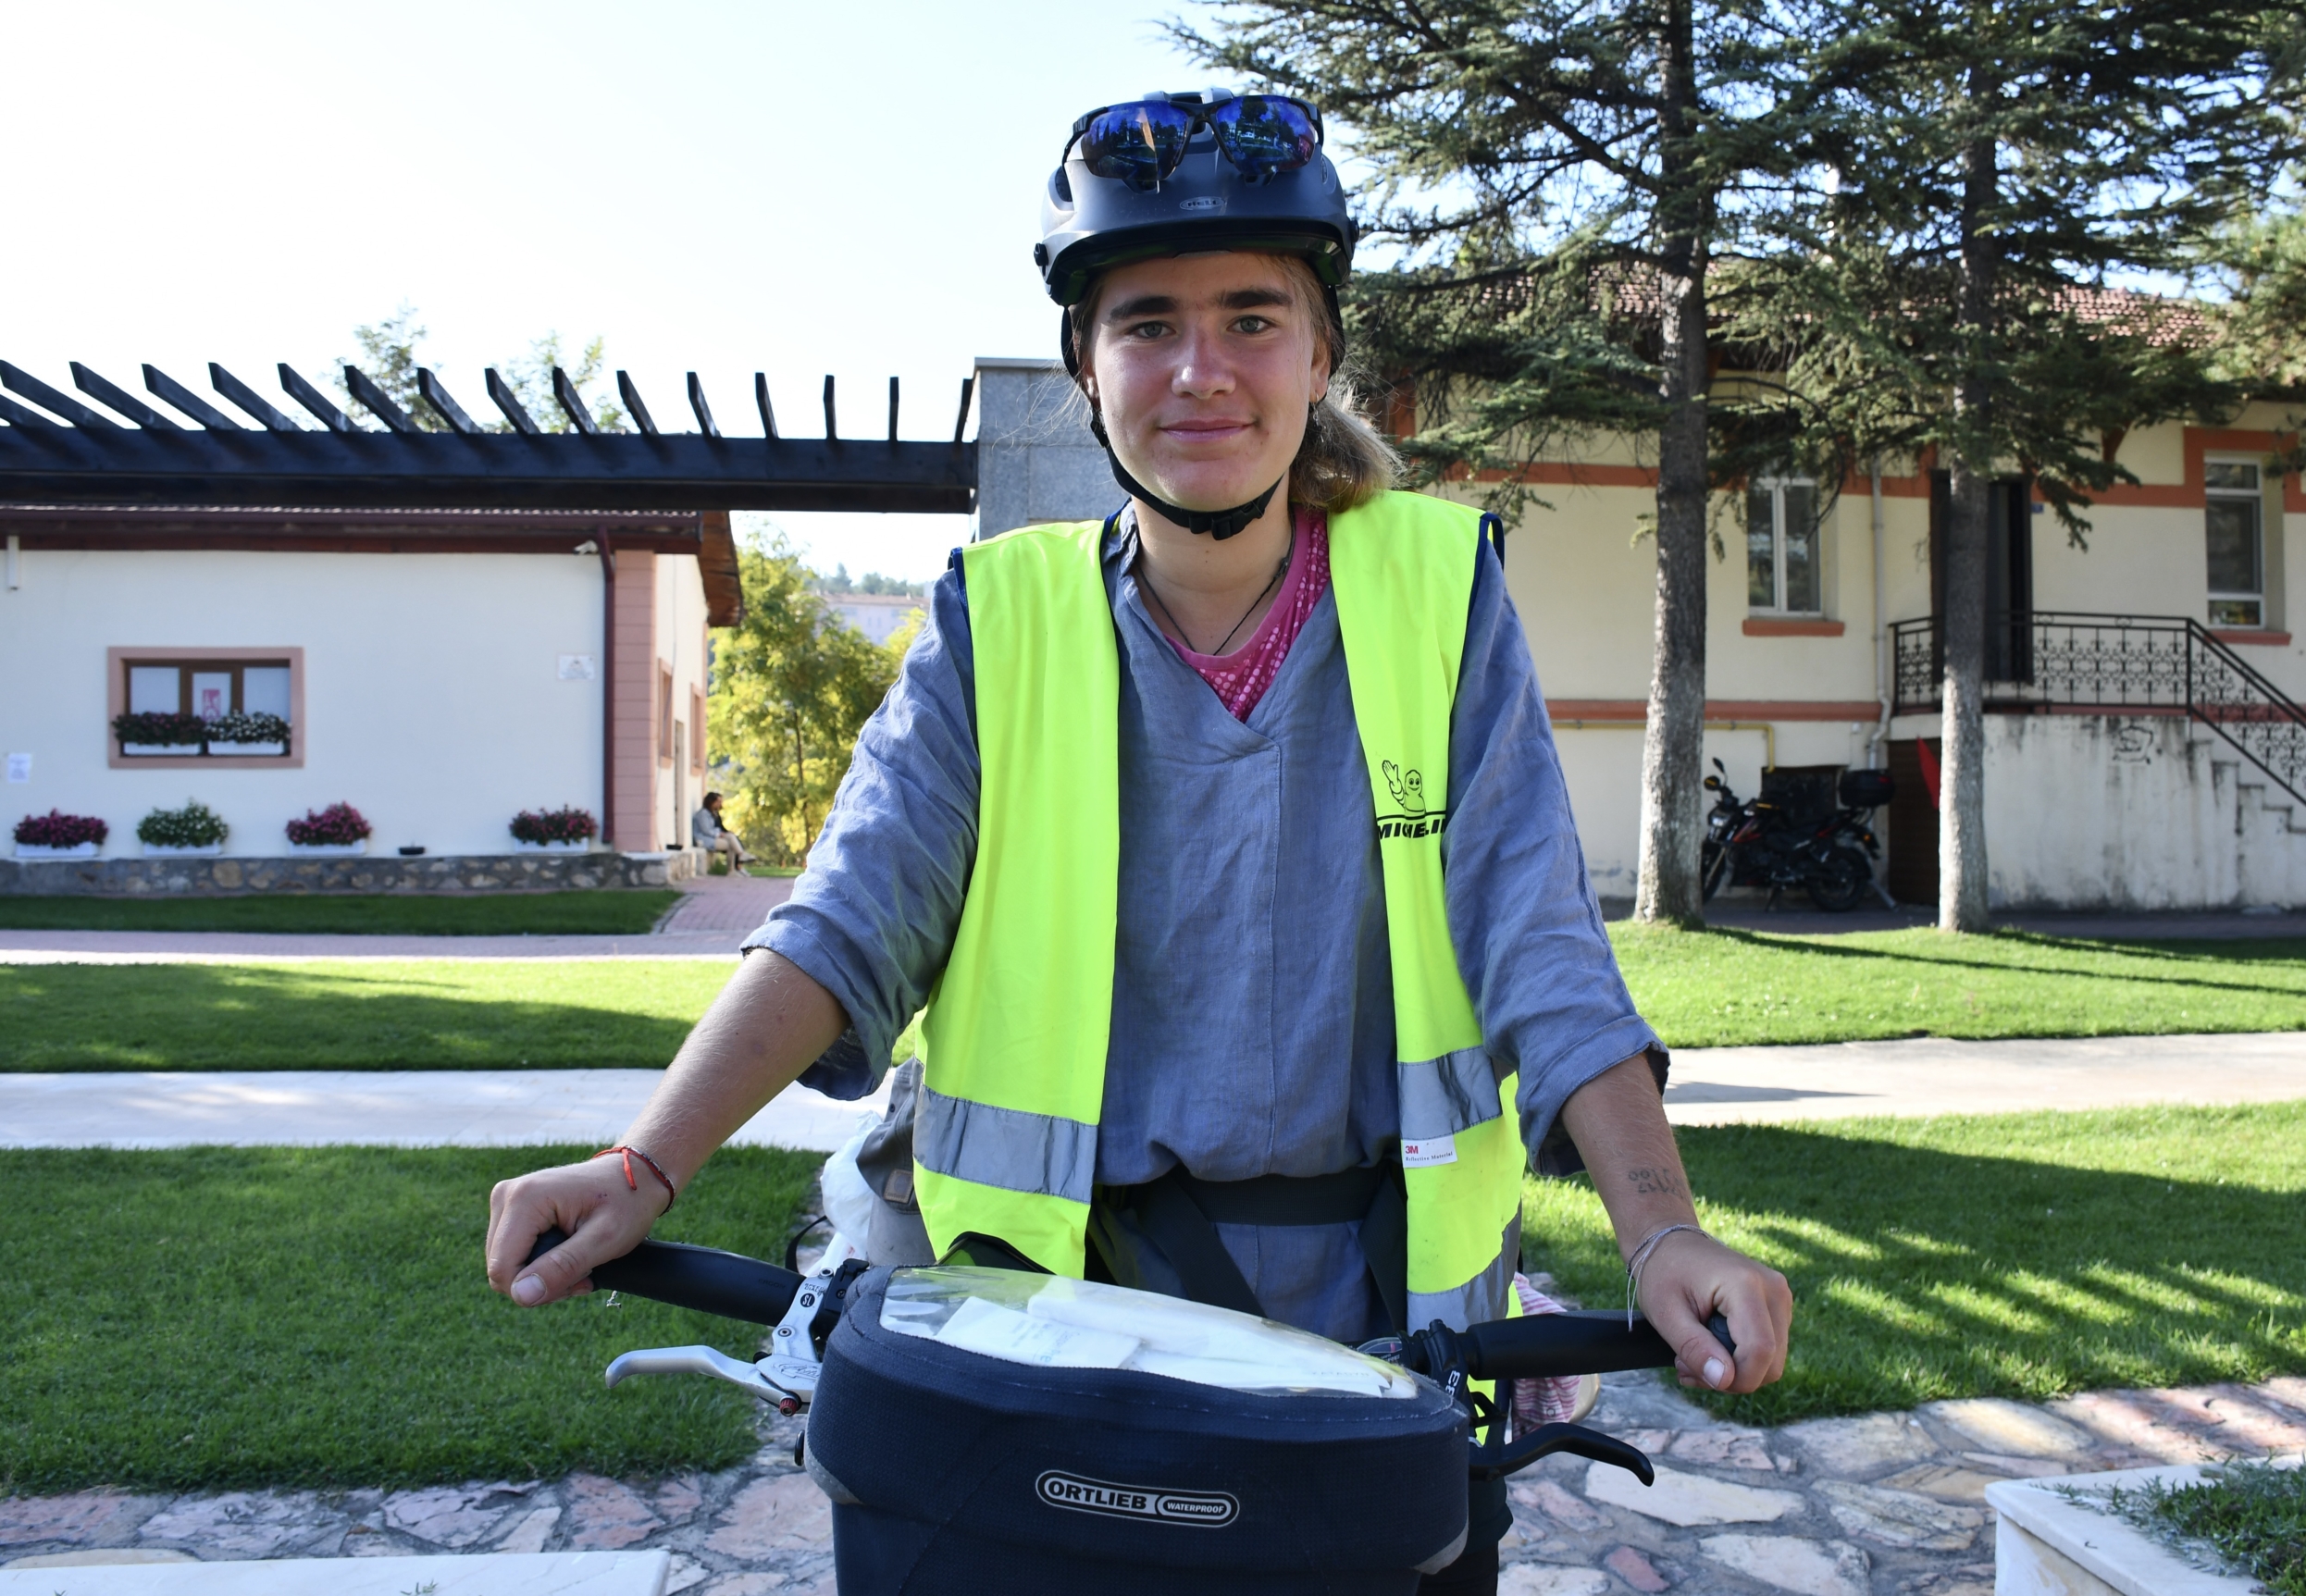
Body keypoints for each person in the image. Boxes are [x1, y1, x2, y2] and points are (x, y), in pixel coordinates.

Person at [488, 87, 1791, 1594]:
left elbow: (1540, 945)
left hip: (1371, 1361)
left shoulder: (1440, 597)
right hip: (1051, 1356)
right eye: (1147, 322)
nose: (1201, 372)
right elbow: (845, 930)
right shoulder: (1002, 622)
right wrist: (644, 1170)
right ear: (1086, 369)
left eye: (1253, 318)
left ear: (1321, 354)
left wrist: (1660, 1235)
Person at [689, 791, 751, 874]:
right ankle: (733, 868)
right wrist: (719, 833)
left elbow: (718, 828)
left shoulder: (713, 814)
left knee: (731, 837)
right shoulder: (703, 814)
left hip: (711, 838)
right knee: (730, 844)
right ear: (711, 801)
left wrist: (722, 833)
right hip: (704, 840)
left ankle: (738, 860)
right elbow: (706, 831)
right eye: (718, 801)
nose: (720, 804)